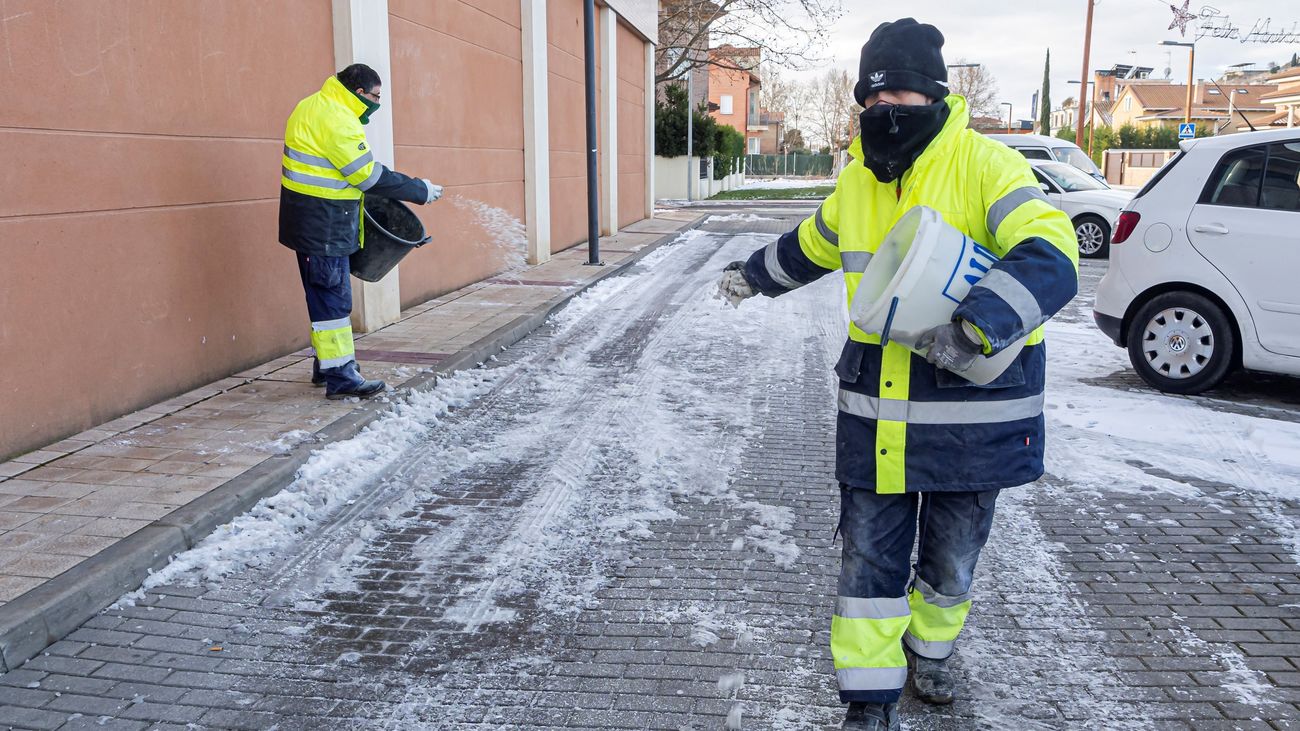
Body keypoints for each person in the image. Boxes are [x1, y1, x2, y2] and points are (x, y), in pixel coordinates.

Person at [717, 18, 1078, 731]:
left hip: (971, 419)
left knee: (950, 565)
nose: (888, 110)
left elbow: (1052, 249)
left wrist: (979, 322)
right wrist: (754, 274)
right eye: (875, 98)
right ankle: (869, 698)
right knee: (869, 567)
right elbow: (813, 244)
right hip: (877, 411)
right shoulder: (858, 181)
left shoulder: (986, 166)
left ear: (937, 96)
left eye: (905, 94)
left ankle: (931, 648)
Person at [279, 63, 442, 400]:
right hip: (325, 223)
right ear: (359, 93)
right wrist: (419, 190)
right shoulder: (338, 119)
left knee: (321, 295)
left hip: (307, 219)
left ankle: (327, 365)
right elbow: (366, 176)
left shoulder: (310, 104)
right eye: (376, 97)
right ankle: (341, 377)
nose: (377, 103)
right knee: (333, 299)